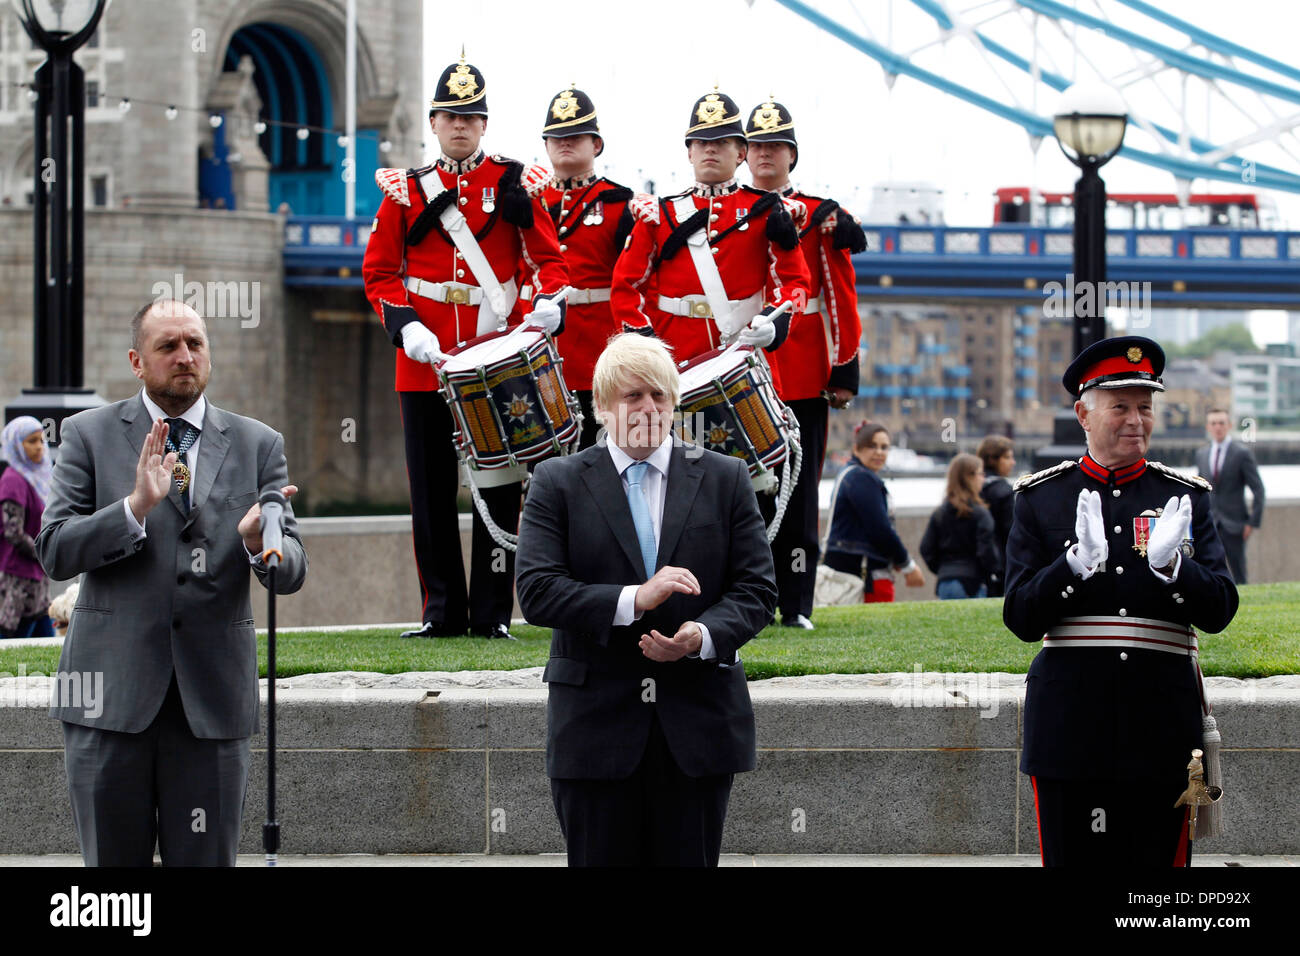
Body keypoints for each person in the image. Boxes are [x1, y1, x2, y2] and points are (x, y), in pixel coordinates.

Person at [36, 298, 308, 866]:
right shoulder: (88, 435)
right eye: (168, 346)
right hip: (107, 702)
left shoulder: (260, 444)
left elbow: (292, 570)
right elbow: (55, 551)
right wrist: (133, 509)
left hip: (210, 706)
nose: (185, 356)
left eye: (195, 344)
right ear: (138, 361)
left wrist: (261, 546)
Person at [515, 333, 776, 866]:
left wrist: (702, 636)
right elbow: (537, 592)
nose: (648, 408)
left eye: (659, 395)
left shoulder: (725, 477)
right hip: (595, 731)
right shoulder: (556, 482)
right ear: (604, 408)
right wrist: (635, 598)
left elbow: (757, 591)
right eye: (633, 396)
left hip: (697, 729)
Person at [1004, 335, 1238, 867]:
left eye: (1145, 407)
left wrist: (1173, 569)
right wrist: (1070, 570)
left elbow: (1221, 607)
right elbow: (1019, 617)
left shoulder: (1184, 497)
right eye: (1121, 407)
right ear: (1084, 413)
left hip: (1160, 723)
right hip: (1070, 723)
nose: (1136, 419)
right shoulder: (1040, 498)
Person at [362, 55, 569, 640]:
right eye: (451, 116)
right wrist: (406, 327)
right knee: (429, 491)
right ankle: (439, 612)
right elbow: (379, 273)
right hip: (424, 361)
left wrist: (544, 307)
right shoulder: (404, 191)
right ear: (432, 122)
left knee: (498, 490)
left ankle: (492, 616)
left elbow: (548, 263)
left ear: (485, 124)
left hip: (494, 358)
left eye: (471, 116)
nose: (461, 126)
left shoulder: (514, 183)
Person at [745, 99, 864, 630]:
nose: (765, 154)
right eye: (756, 146)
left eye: (776, 147)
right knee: (742, 488)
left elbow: (839, 296)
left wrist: (844, 369)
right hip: (740, 370)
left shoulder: (819, 214)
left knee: (800, 488)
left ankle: (795, 603)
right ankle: (748, 594)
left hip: (802, 370)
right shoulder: (725, 212)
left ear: (792, 156)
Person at [610, 89, 810, 363]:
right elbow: (626, 286)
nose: (711, 148)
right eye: (701, 142)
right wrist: (644, 343)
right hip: (674, 359)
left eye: (722, 141)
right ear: (690, 153)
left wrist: (774, 322)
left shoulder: (768, 212)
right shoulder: (659, 214)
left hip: (746, 356)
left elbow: (795, 283)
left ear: (741, 153)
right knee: (685, 411)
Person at [523, 87, 635, 449]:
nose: (564, 143)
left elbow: (633, 281)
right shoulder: (528, 200)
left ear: (596, 145)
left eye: (575, 136)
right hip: (539, 348)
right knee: (542, 459)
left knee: (596, 454)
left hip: (597, 350)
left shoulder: (620, 204)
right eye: (556, 137)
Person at [822, 422, 924, 602]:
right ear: (856, 448)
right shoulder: (861, 477)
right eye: (872, 446)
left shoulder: (850, 474)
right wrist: (907, 565)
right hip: (863, 573)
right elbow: (880, 529)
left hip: (848, 567)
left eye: (884, 447)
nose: (879, 452)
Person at [1196, 407, 1264, 584]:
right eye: (1213, 423)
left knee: (1239, 573)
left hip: (1235, 524)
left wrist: (1252, 522)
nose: (1217, 427)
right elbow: (1199, 489)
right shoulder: (1202, 454)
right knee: (1208, 572)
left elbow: (1258, 490)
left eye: (1221, 423)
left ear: (1229, 425)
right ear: (1208, 427)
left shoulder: (1242, 454)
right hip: (1209, 523)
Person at [919, 453, 1000, 599]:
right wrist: (995, 571)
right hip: (973, 582)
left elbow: (926, 548)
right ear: (969, 477)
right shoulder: (980, 513)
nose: (983, 478)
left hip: (945, 582)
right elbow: (986, 550)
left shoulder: (940, 512)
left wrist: (944, 569)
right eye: (981, 474)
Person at [0, 417, 53, 639]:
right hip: (19, 579)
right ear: (15, 445)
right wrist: (45, 551)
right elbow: (13, 531)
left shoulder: (36, 477)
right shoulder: (14, 480)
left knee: (46, 640)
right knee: (11, 639)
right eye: (31, 441)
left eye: (41, 440)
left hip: (36, 576)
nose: (39, 446)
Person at [976, 434, 1016, 596]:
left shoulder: (973, 488)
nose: (1012, 463)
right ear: (993, 460)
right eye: (1007, 457)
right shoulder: (1003, 491)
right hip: (1000, 565)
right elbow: (1012, 531)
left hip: (974, 567)